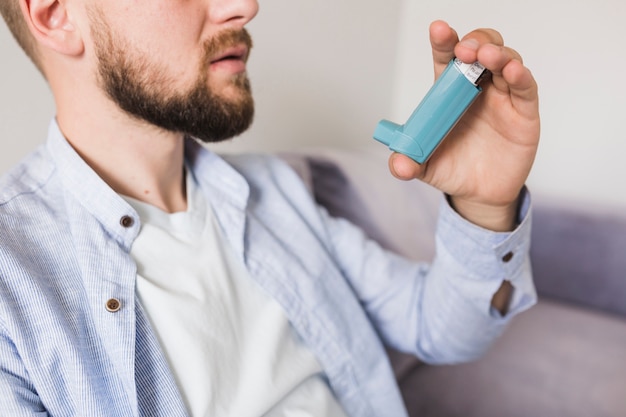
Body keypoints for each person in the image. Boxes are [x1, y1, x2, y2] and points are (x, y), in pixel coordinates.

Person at [0, 0, 539, 416]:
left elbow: (441, 328)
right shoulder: (12, 284)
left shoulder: (274, 191)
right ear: (54, 16)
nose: (245, 6)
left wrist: (484, 205)